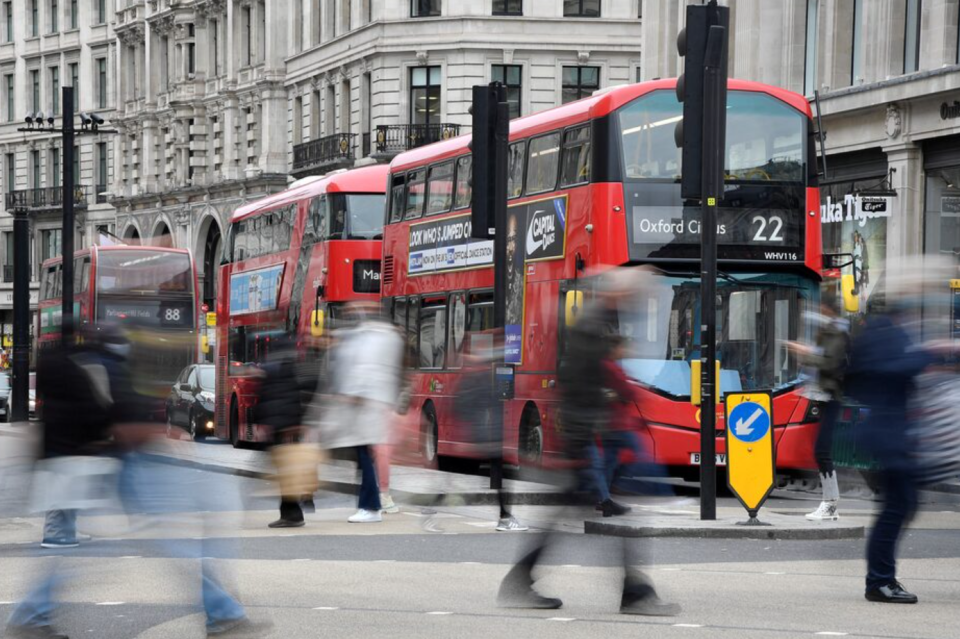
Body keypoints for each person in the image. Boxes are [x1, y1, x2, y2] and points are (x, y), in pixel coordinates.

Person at [497, 269, 679, 616]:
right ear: (618, 295)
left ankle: (523, 581)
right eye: (635, 294)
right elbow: (578, 389)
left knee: (593, 518)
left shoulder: (597, 323)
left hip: (588, 441)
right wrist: (583, 448)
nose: (639, 302)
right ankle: (634, 594)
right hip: (585, 443)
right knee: (612, 518)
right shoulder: (590, 328)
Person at [7, 325, 126, 638]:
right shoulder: (82, 368)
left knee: (61, 531)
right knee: (59, 544)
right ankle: (31, 615)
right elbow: (95, 411)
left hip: (54, 456)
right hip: (74, 459)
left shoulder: (51, 369)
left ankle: (33, 612)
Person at [845, 277, 943, 604]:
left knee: (901, 505)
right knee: (895, 507)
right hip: (886, 436)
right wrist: (928, 354)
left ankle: (881, 579)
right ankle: (880, 582)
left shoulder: (885, 331)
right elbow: (889, 369)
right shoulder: (882, 331)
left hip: (892, 435)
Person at [312, 302, 404, 523]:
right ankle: (369, 504)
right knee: (364, 458)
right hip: (368, 410)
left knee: (365, 457)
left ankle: (371, 506)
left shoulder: (370, 339)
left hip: (365, 411)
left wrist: (350, 394)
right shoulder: (376, 336)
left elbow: (364, 372)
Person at [791, 287, 851, 521]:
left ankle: (830, 504)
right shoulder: (831, 330)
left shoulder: (837, 332)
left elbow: (828, 363)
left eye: (821, 308)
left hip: (832, 396)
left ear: (828, 309)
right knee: (821, 450)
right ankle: (830, 503)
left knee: (822, 450)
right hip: (824, 394)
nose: (819, 312)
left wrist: (804, 352)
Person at [453, 349, 527, 531]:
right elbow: (488, 409)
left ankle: (505, 517)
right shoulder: (483, 379)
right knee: (503, 478)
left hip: (482, 436)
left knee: (496, 478)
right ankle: (505, 517)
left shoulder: (470, 379)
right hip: (488, 437)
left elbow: (459, 407)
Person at [255, 333, 315, 528]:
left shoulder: (271, 367)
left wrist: (260, 422)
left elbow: (266, 396)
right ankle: (299, 503)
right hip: (290, 425)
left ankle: (292, 513)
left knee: (285, 471)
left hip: (281, 426)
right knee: (292, 467)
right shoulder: (299, 368)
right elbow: (307, 393)